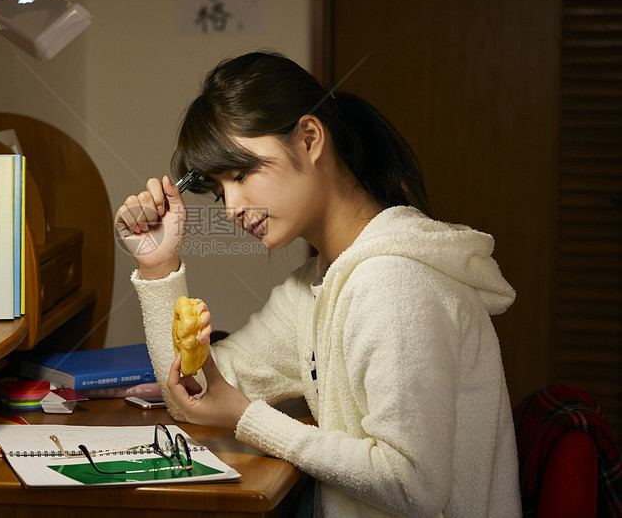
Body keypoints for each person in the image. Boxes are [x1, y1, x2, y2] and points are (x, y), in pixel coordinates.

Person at [114, 51, 521, 516]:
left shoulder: (395, 284)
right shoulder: (317, 286)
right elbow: (191, 393)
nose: (231, 207)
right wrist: (157, 265)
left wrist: (249, 419)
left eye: (243, 174)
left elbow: (414, 484)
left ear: (309, 139)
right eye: (221, 188)